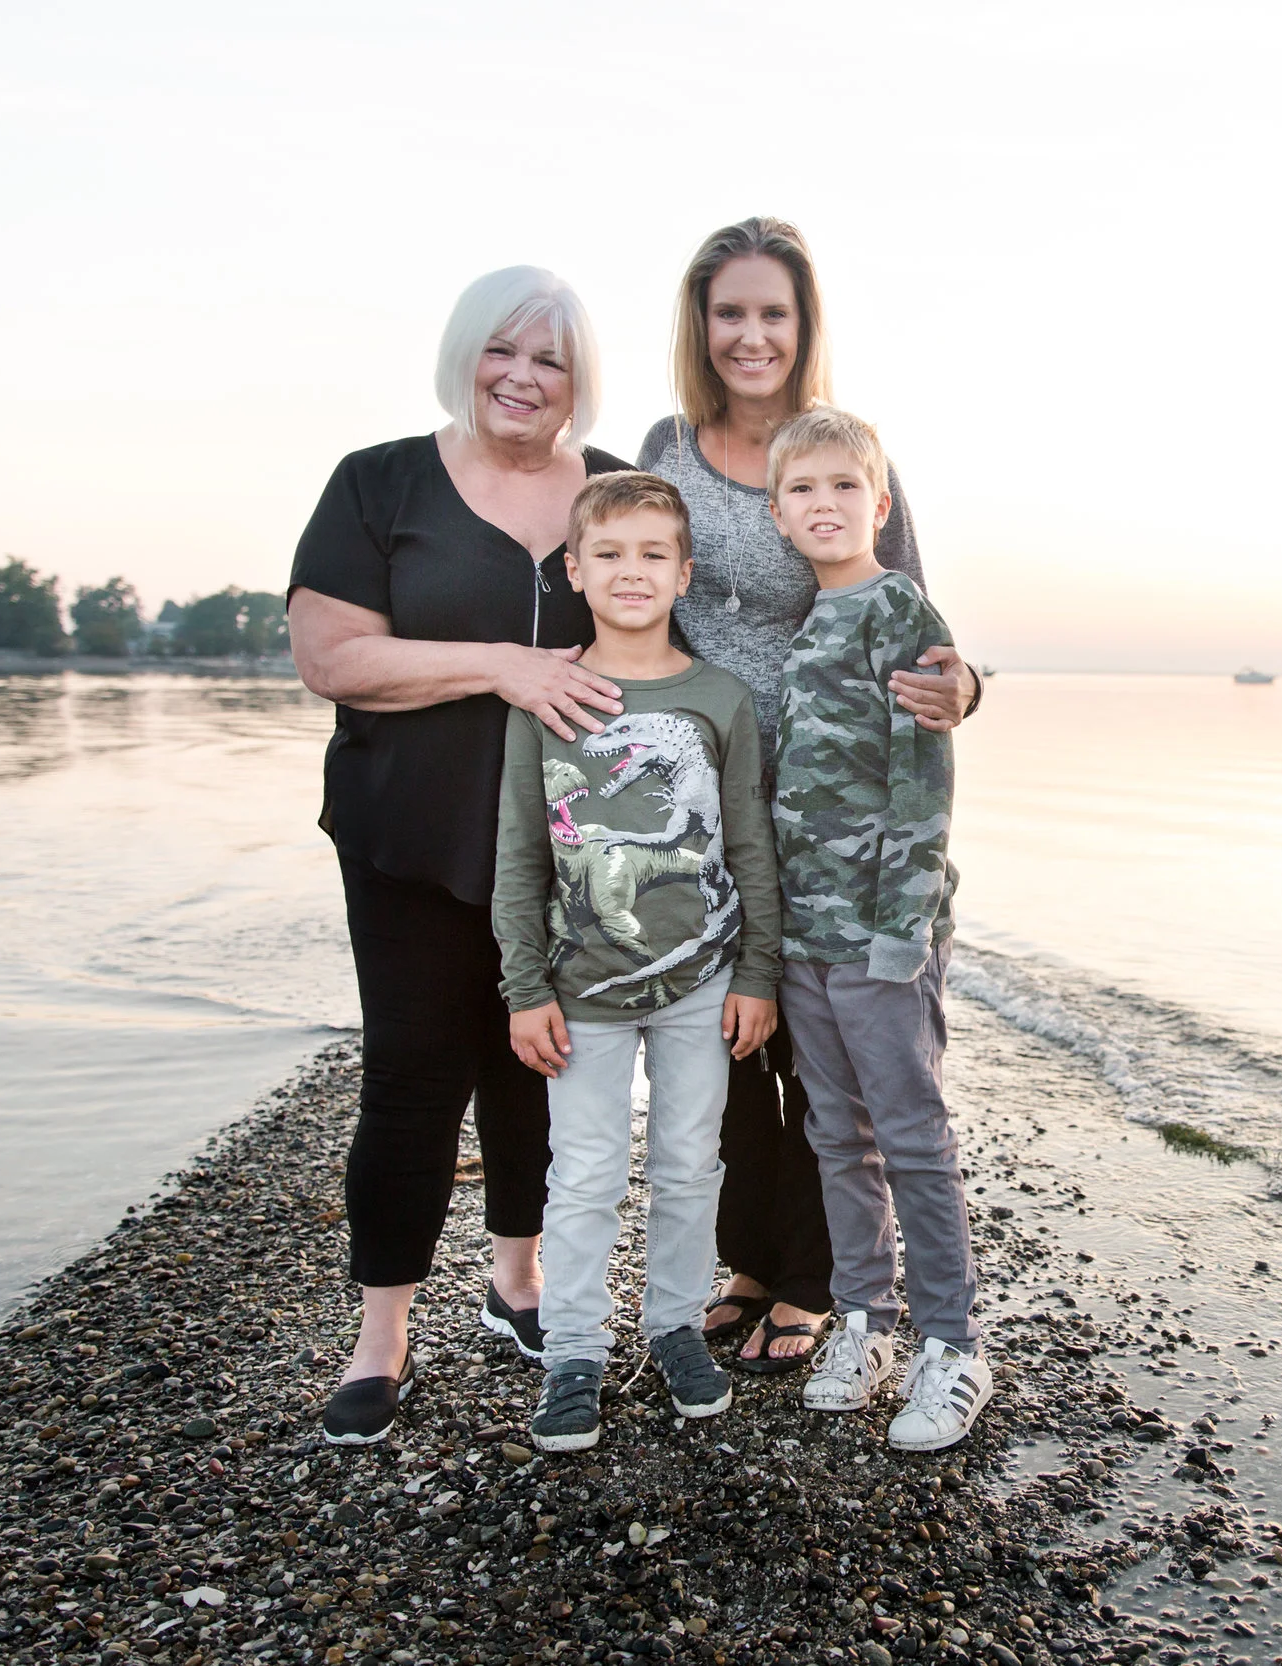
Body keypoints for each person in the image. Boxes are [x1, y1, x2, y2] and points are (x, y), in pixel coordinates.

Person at [289, 266, 633, 1446]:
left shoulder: (617, 493)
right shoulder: (378, 482)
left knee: (539, 1064)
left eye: (550, 360)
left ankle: (517, 1284)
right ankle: (381, 1337)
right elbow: (332, 657)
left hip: (569, 847)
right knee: (412, 1075)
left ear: (578, 382)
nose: (523, 377)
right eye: (503, 351)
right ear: (465, 355)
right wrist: (502, 663)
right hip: (407, 834)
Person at [635, 217, 981, 1374]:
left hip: (831, 804)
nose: (750, 335)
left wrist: (966, 686)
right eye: (729, 312)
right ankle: (752, 1255)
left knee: (828, 1056)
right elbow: (631, 582)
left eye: (772, 313)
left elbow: (918, 621)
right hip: (702, 789)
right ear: (702, 325)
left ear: (802, 325)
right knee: (727, 1038)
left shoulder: (845, 456)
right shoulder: (665, 446)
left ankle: (825, 1283)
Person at [492, 471, 782, 1446]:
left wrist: (757, 973)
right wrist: (523, 988)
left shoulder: (717, 697)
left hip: (703, 981)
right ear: (574, 568)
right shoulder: (549, 695)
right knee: (582, 1173)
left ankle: (672, 1324)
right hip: (583, 993)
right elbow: (520, 854)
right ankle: (574, 1350)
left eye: (652, 553)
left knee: (690, 1161)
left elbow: (748, 843)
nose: (630, 571)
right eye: (608, 553)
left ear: (684, 572)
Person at [763, 408, 991, 1452]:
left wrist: (902, 931)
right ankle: (866, 1323)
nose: (824, 505)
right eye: (802, 490)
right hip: (808, 932)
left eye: (844, 488)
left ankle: (953, 1344)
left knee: (910, 1135)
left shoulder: (900, 613)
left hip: (880, 934)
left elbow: (922, 784)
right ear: (776, 513)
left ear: (880, 505)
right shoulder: (806, 625)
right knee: (833, 1134)